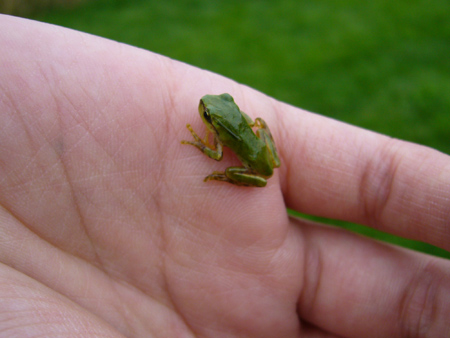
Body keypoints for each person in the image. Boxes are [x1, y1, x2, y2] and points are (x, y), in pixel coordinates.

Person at [0, 15, 448, 338]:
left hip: (255, 167)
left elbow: (216, 152)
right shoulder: (239, 121)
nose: (208, 111)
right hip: (263, 149)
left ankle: (227, 178)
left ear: (218, 118)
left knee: (226, 170)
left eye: (210, 113)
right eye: (210, 112)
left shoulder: (217, 134)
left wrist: (207, 153)